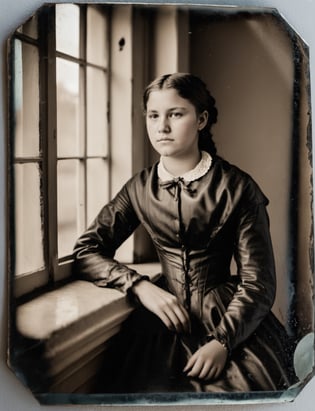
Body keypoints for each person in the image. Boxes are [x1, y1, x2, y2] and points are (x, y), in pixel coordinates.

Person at [73, 73, 296, 393]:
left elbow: (258, 281)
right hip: (160, 325)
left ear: (201, 119)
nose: (162, 127)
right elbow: (87, 250)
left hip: (228, 321)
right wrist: (139, 286)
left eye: (175, 114)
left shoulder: (238, 187)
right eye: (153, 115)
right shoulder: (139, 187)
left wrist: (222, 342)